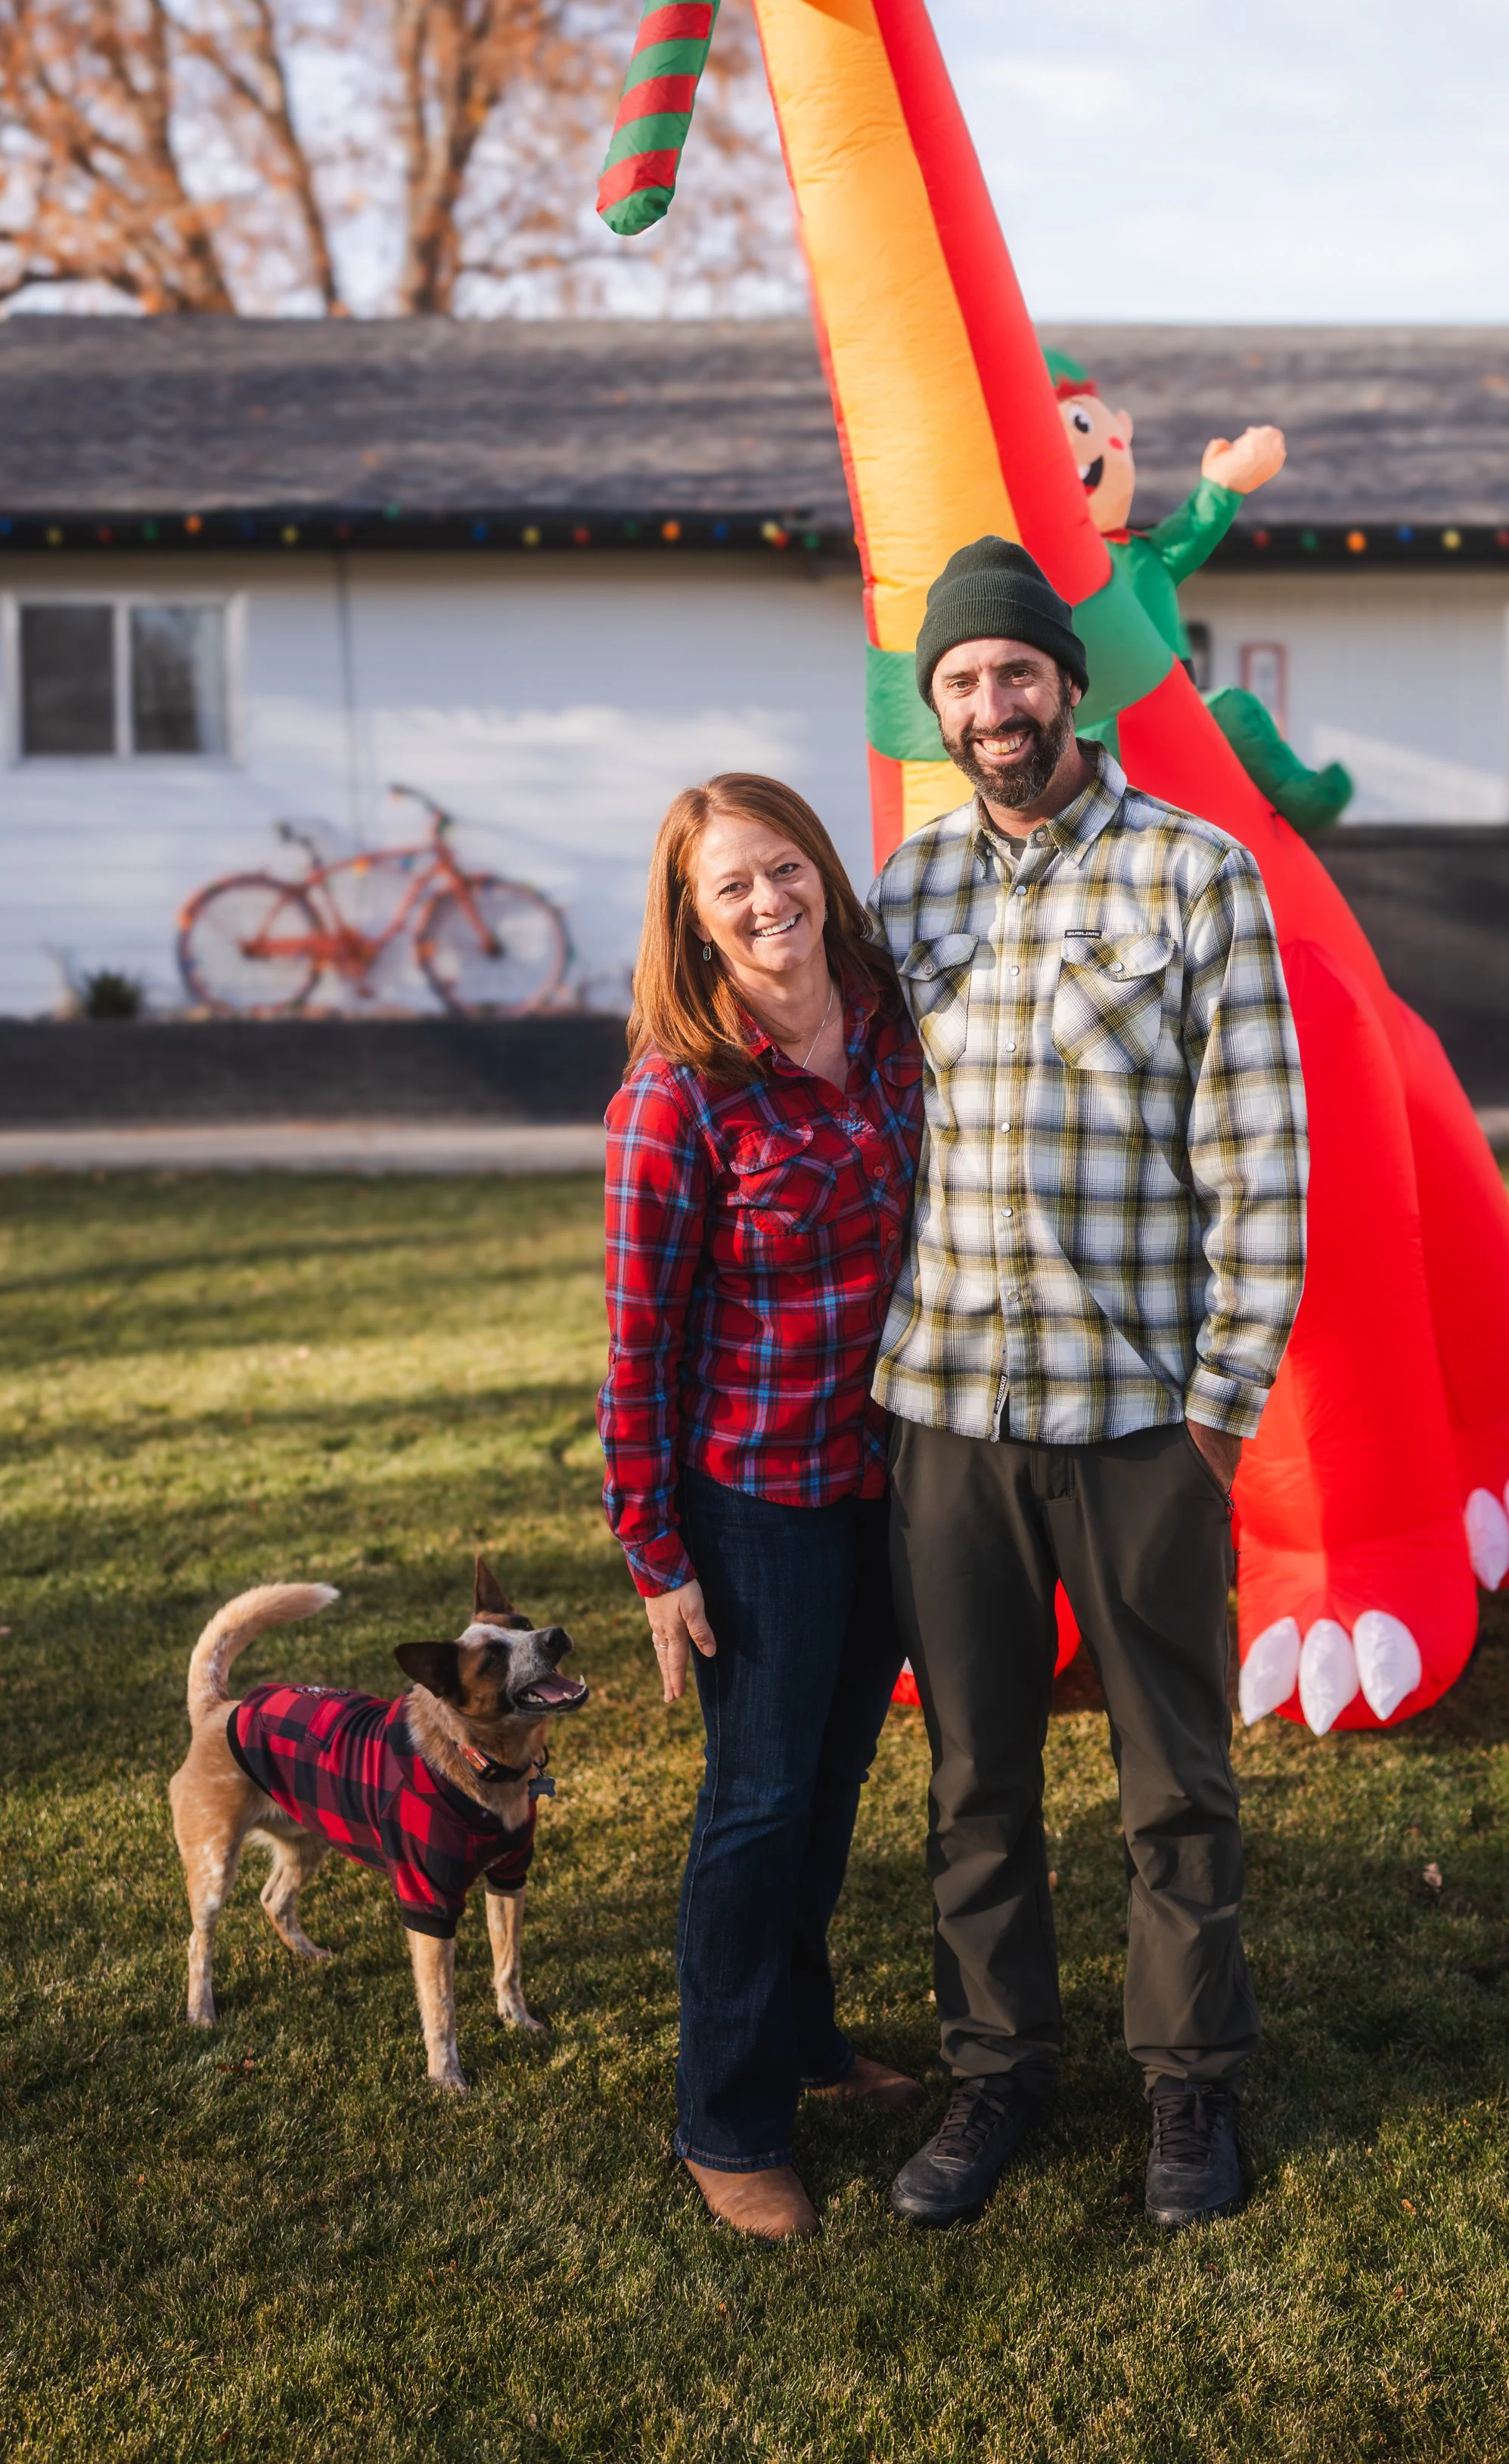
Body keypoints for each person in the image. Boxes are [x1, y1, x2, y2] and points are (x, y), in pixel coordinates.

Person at [869, 536, 1309, 2233]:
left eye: (1013, 673)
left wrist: (1217, 1411)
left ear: (1066, 681)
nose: (991, 705)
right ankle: (994, 2075)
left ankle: (1188, 2090)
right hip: (946, 1419)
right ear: (938, 710)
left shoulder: (1195, 875)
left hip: (1137, 1425)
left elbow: (1259, 1159)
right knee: (972, 1774)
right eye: (959, 683)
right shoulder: (900, 895)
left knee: (1172, 1779)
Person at [598, 772, 926, 2243]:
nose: (765, 901)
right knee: (753, 1806)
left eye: (782, 867)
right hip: (758, 1502)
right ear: (692, 914)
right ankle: (724, 2121)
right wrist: (654, 1556)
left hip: (893, 1480)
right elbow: (634, 1342)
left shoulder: (889, 1026)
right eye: (729, 885)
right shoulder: (676, 1094)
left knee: (833, 1782)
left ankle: (804, 2038)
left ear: (819, 871)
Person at [1046, 346, 1354, 834]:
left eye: (1082, 427)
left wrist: (1224, 482)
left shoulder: (1146, 553)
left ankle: (1299, 797)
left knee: (1234, 709)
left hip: (1174, 700)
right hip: (1093, 715)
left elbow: (1192, 528)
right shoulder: (1048, 566)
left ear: (1120, 432)